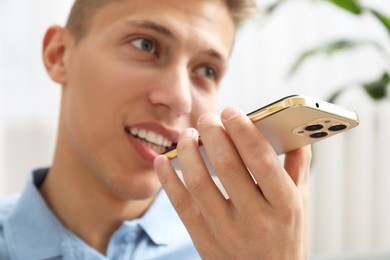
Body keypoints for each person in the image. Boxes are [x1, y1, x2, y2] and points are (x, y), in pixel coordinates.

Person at [0, 0, 312, 259]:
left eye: (207, 71)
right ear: (59, 55)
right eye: (145, 44)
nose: (179, 100)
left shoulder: (245, 251)